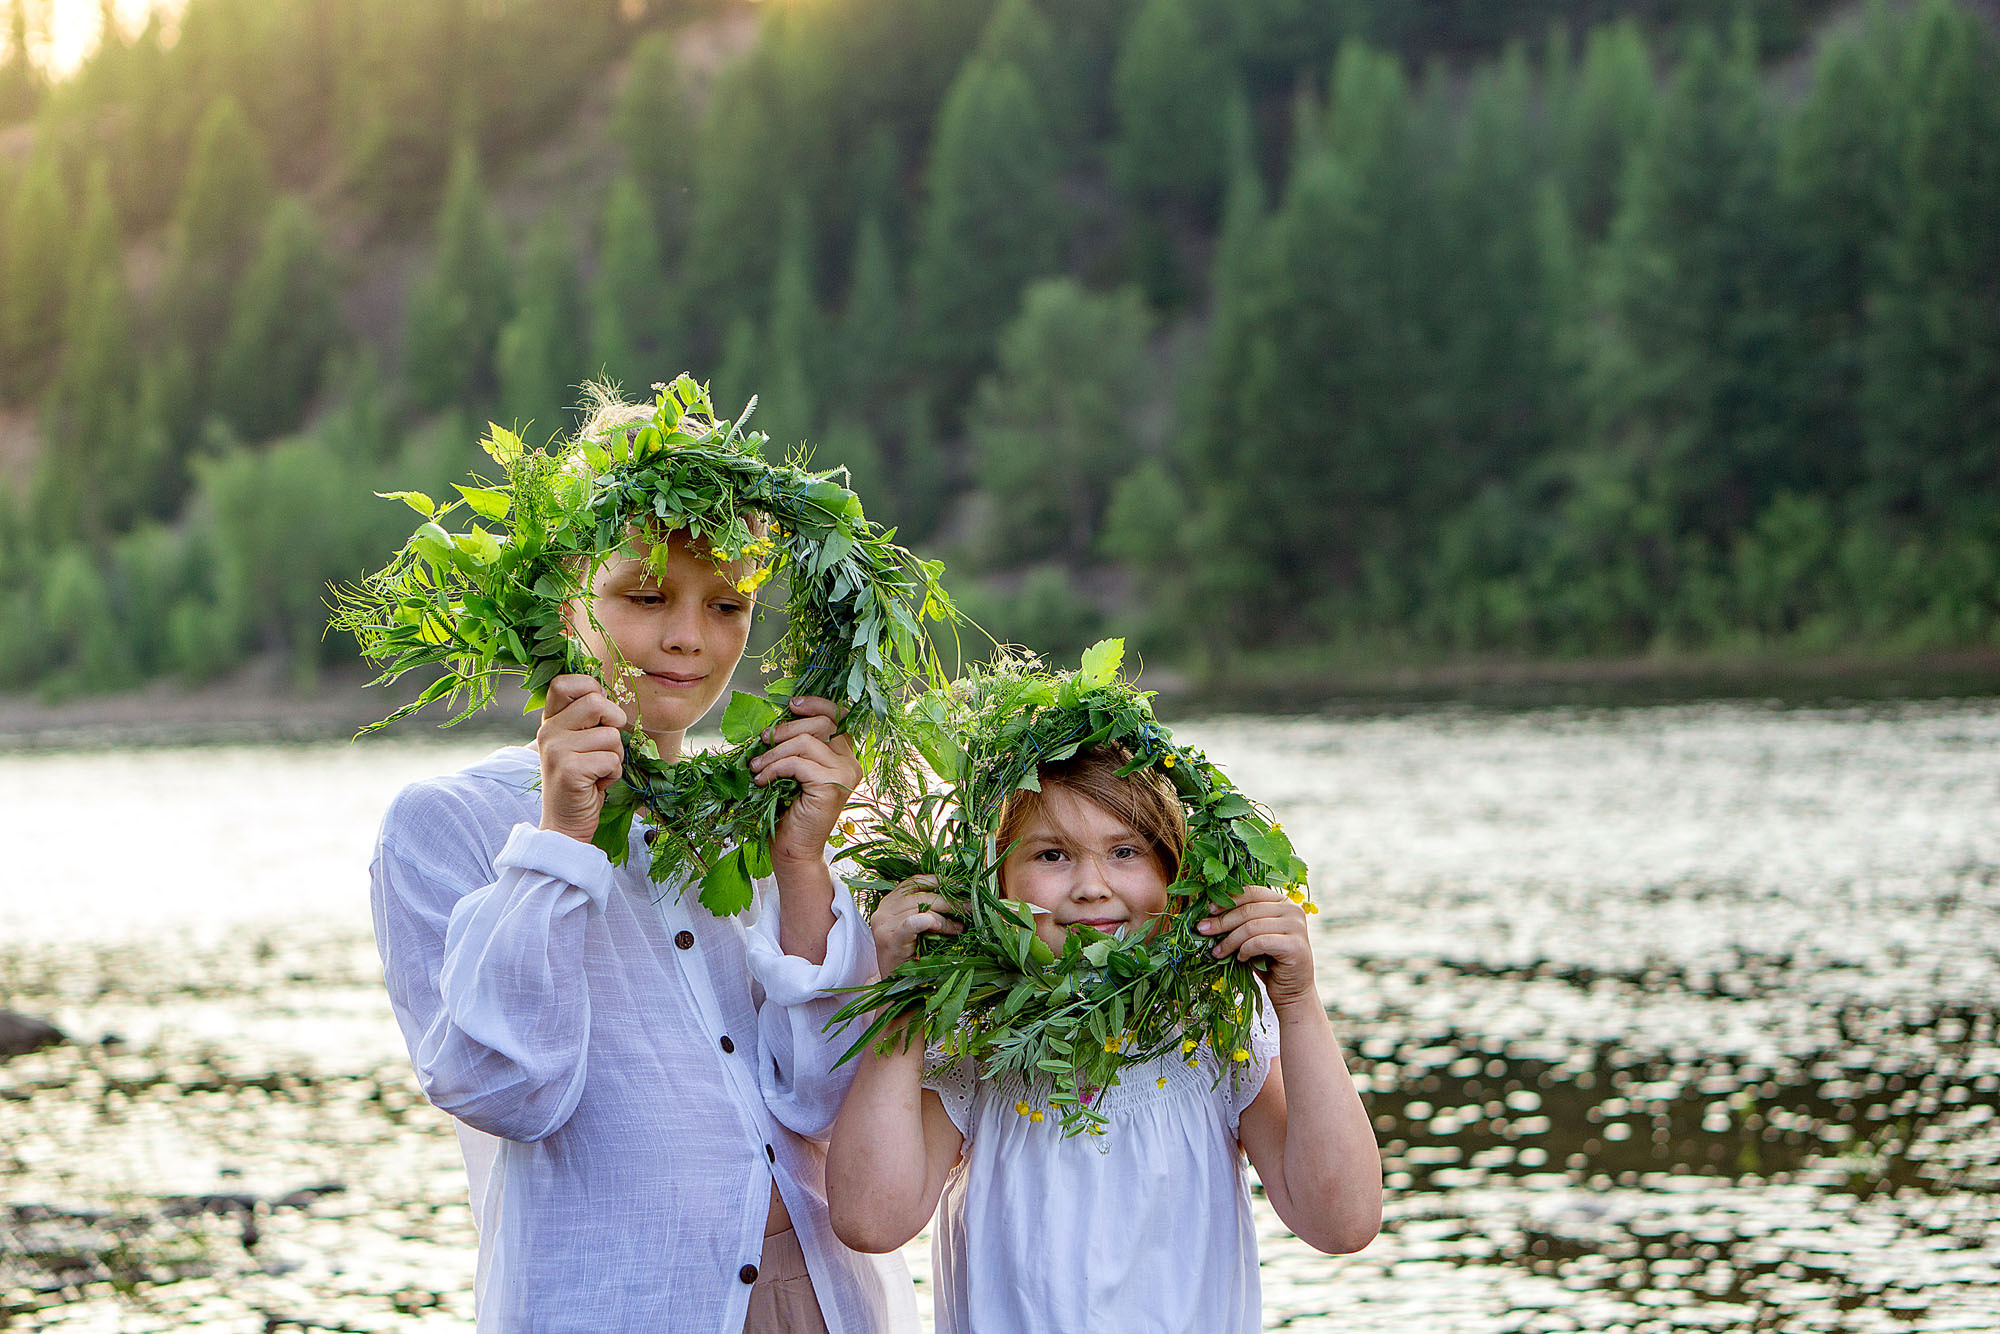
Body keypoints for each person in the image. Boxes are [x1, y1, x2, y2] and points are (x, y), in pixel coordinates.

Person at [369, 404, 917, 1333]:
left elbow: (819, 1097)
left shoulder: (759, 815)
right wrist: (561, 841)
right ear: (565, 597)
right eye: (647, 595)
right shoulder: (447, 825)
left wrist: (802, 867)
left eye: (729, 605)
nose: (690, 640)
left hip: (821, 1298)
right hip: (623, 1300)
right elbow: (509, 1091)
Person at [825, 746, 1381, 1332]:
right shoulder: (979, 1045)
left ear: (1174, 873)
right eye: (1052, 854)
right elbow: (869, 1221)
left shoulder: (1212, 1038)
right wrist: (906, 1000)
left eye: (1125, 851)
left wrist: (1296, 1002)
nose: (1092, 886)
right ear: (995, 882)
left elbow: (1342, 1222)